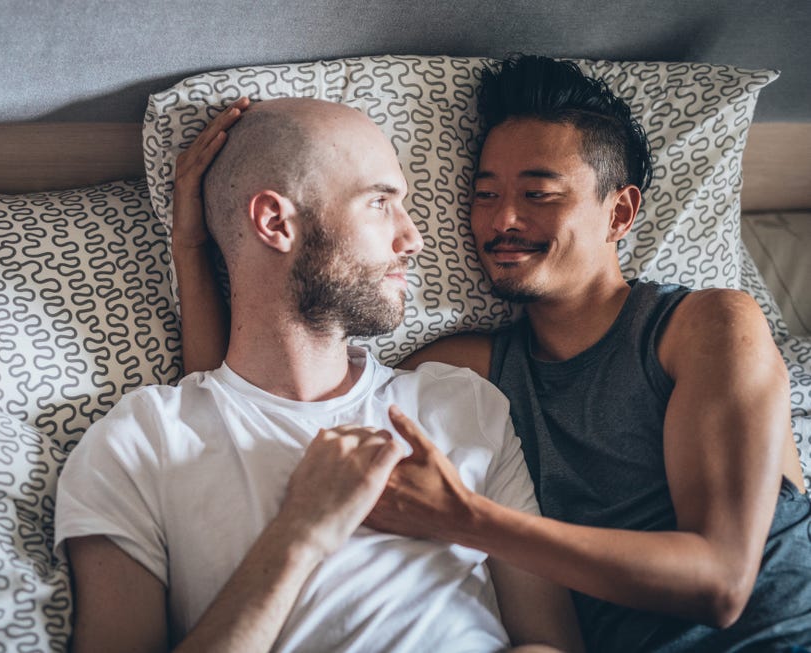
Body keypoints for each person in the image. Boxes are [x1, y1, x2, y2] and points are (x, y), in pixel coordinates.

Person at [172, 57, 811, 651]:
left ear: (620, 212)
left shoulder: (706, 326)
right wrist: (192, 248)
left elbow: (720, 584)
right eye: (484, 193)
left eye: (538, 194)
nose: (502, 219)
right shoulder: (467, 373)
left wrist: (468, 519)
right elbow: (245, 407)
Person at [54, 96, 584, 653]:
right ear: (275, 222)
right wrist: (301, 533)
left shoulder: (464, 405)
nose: (413, 239)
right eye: (380, 203)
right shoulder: (138, 441)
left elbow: (552, 643)